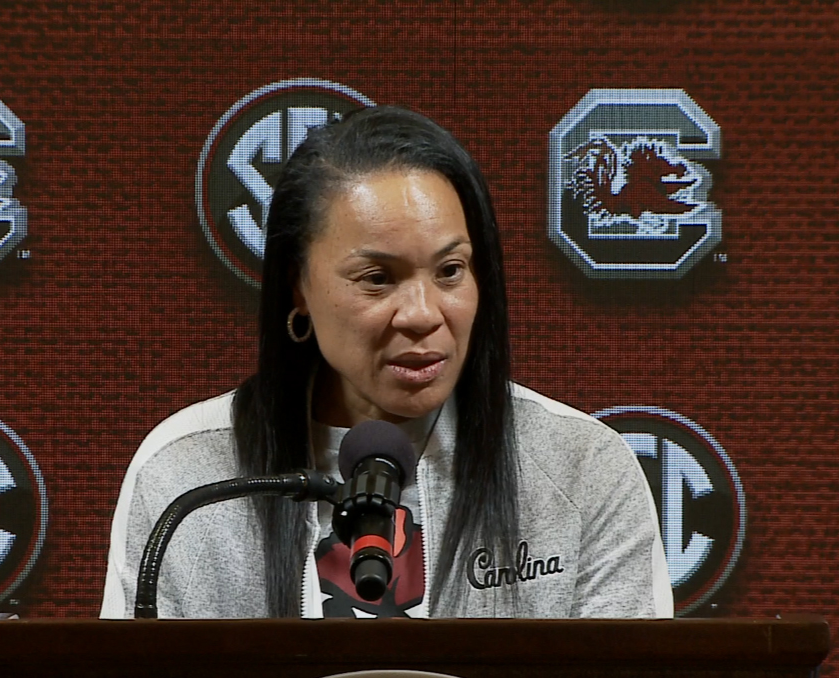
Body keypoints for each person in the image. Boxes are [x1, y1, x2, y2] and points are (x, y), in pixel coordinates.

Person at [101, 106, 672, 620]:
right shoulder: (187, 473)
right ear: (297, 288)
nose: (423, 315)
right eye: (377, 278)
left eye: (450, 271)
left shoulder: (582, 467)